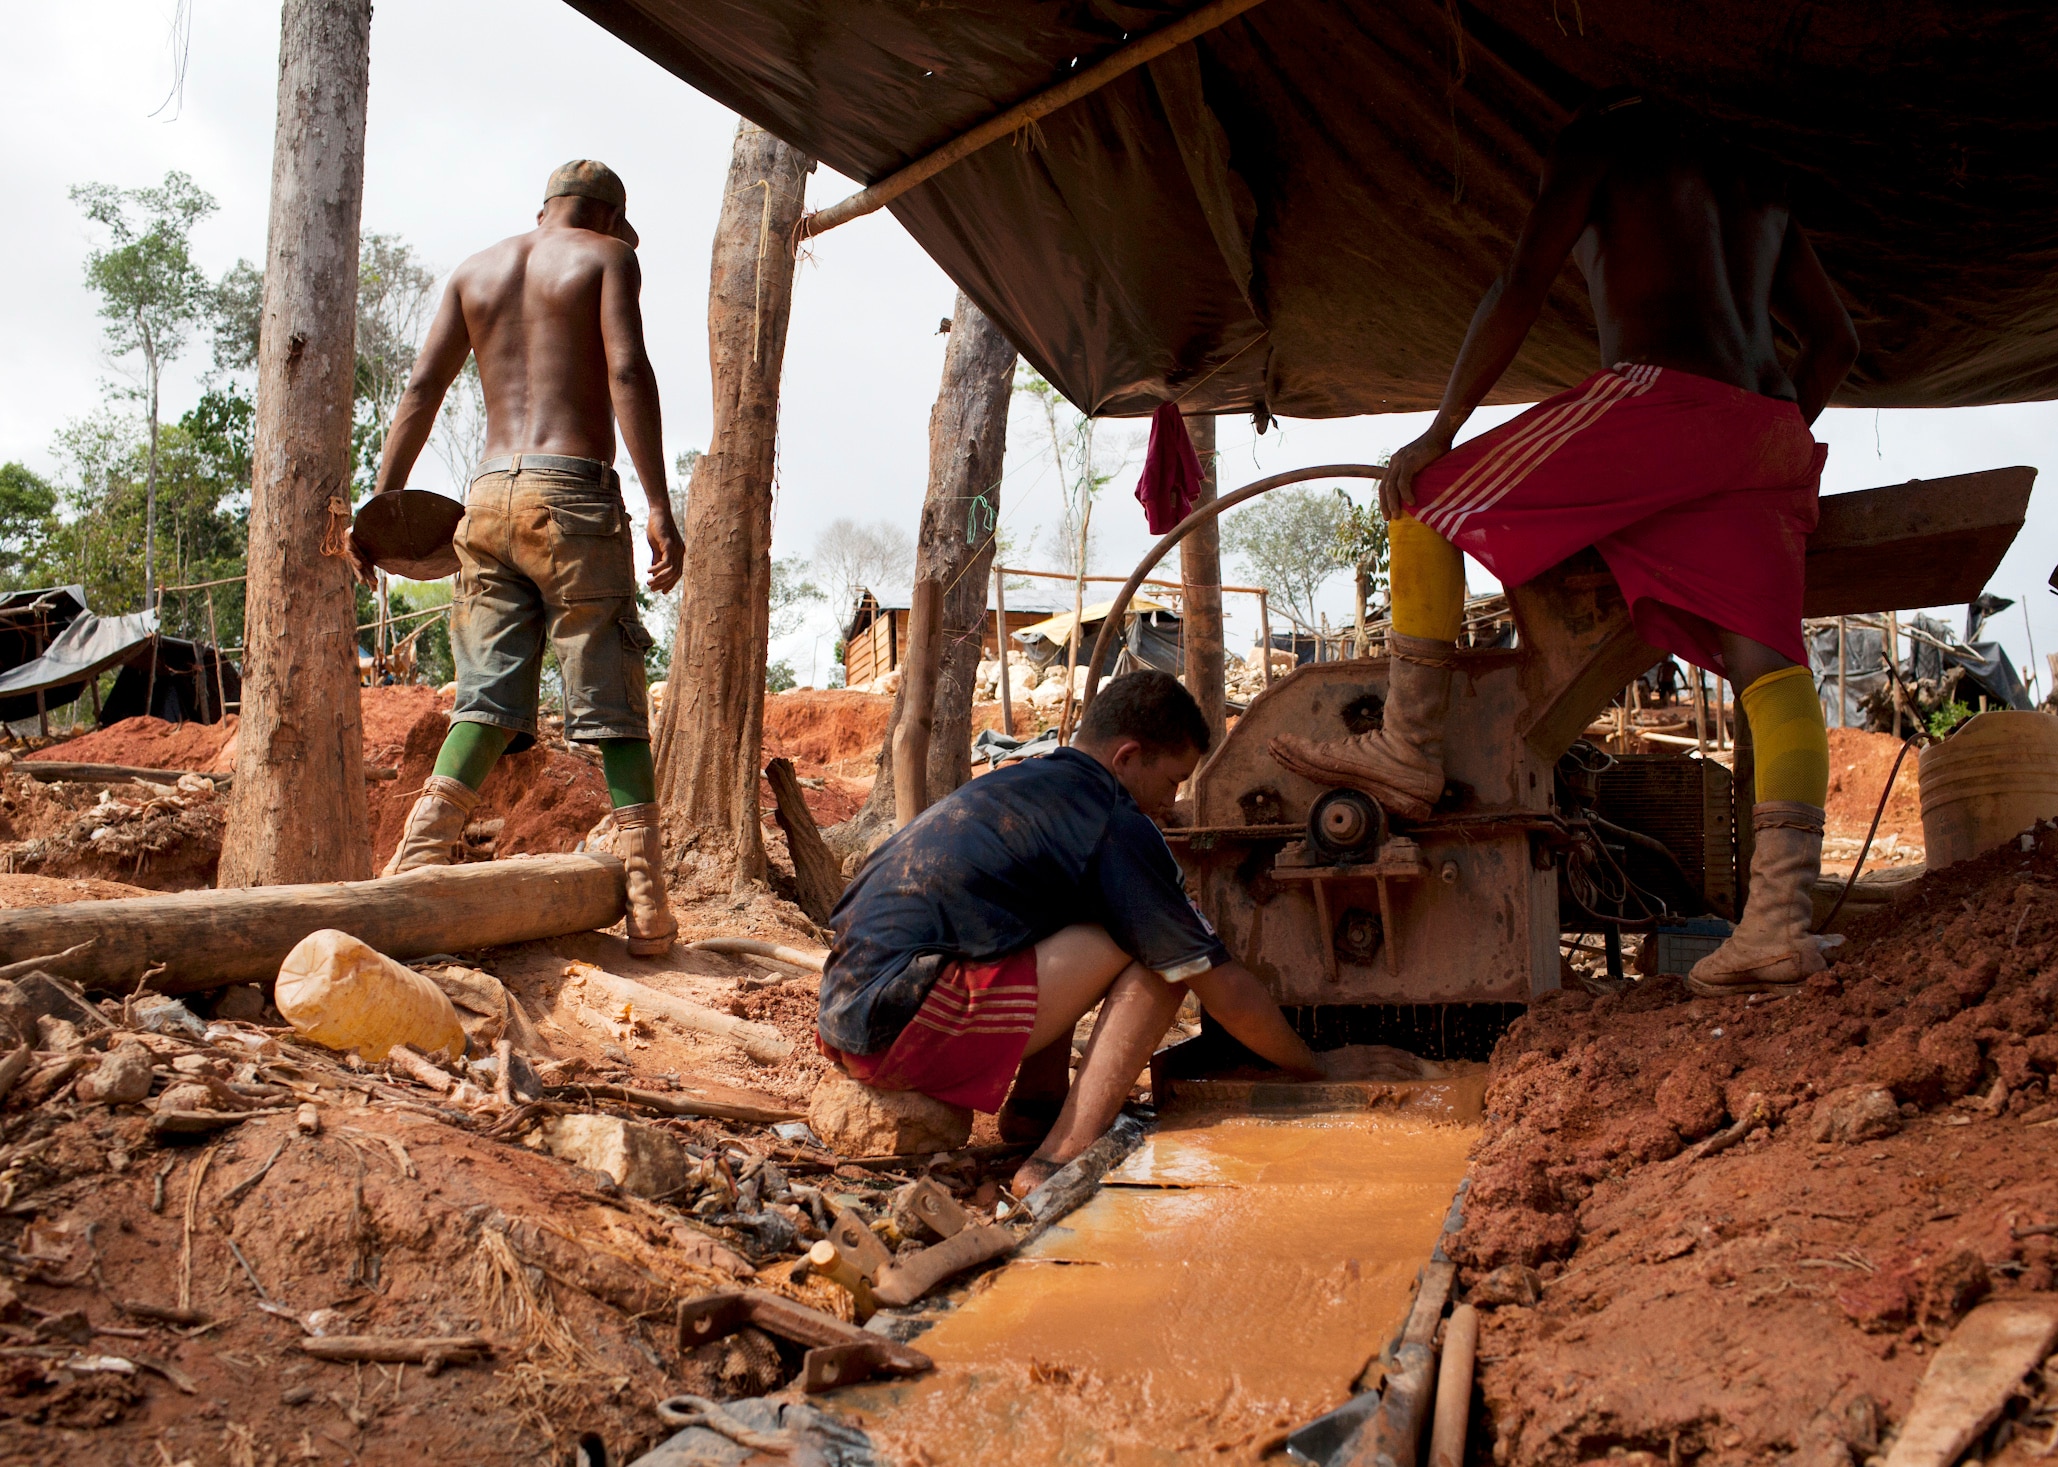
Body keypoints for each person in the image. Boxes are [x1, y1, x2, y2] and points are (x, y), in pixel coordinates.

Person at [1269, 93, 1859, 999]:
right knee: (1773, 676)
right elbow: (1835, 339)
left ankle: (1408, 747)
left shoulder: (1601, 139)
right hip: (1770, 426)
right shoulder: (1760, 175)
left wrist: (1442, 427)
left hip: (1662, 399)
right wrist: (1746, 445)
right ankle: (1777, 927)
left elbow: (1518, 284)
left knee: (1423, 500)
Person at [817, 670, 1420, 1196]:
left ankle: (1035, 1115)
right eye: (1173, 780)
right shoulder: (1108, 816)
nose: (1173, 800)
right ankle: (1059, 1158)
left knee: (1072, 917)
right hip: (904, 1028)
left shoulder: (1029, 785)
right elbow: (1218, 985)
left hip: (848, 1015)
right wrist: (1316, 1066)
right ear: (1127, 757)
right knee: (1166, 961)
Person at [352, 161, 686, 954]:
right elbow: (627, 370)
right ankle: (647, 904)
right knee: (608, 685)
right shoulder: (606, 259)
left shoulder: (474, 269)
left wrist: (380, 509)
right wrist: (660, 506)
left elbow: (420, 391)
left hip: (486, 502)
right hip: (571, 494)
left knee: (486, 700)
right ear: (607, 217)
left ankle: (413, 868)